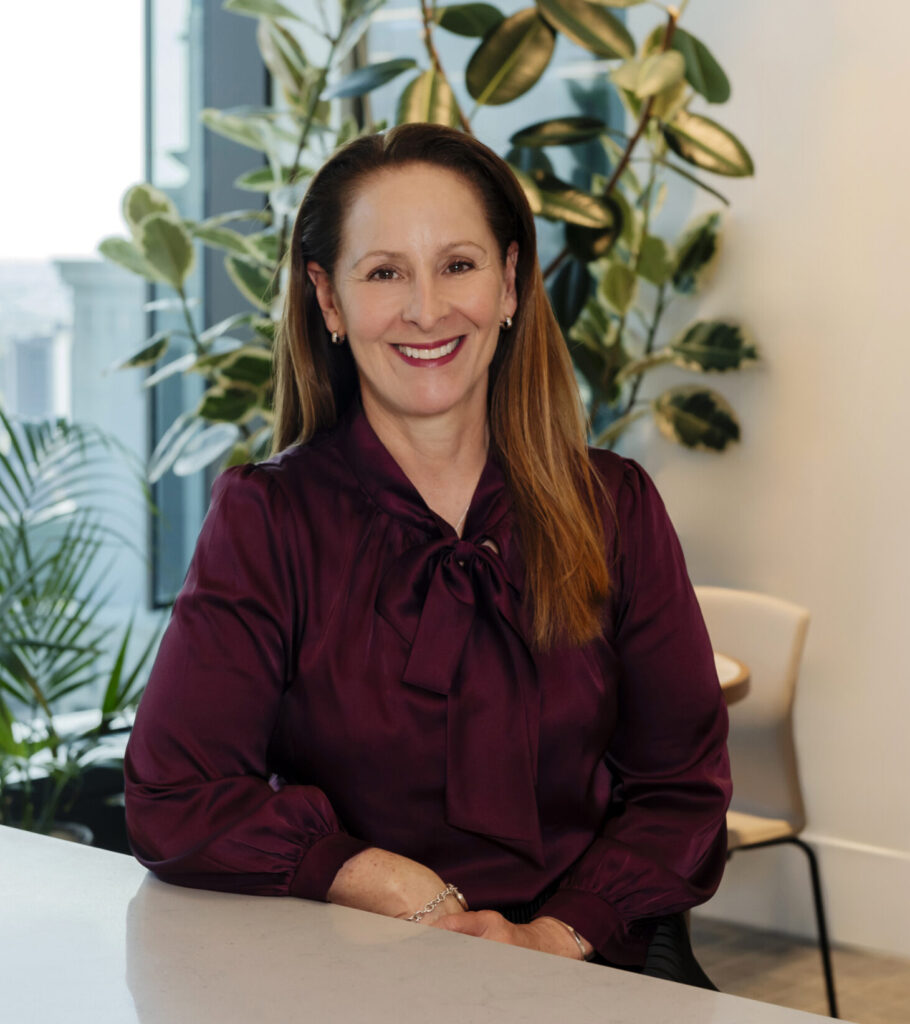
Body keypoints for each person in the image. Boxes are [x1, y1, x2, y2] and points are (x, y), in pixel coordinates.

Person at [124, 123, 731, 983]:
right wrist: (388, 884)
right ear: (328, 301)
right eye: (384, 273)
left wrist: (552, 940)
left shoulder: (615, 506)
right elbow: (174, 796)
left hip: (594, 971)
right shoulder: (267, 519)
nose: (426, 309)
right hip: (355, 976)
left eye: (458, 265)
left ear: (511, 281)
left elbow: (683, 790)